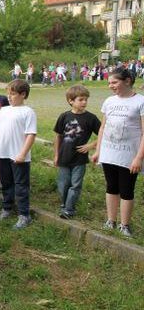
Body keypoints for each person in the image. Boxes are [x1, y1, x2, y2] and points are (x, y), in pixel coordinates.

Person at [91, 68, 144, 237]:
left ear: (127, 81)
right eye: (109, 83)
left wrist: (138, 157)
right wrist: (98, 150)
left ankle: (124, 225)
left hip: (129, 155)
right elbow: (102, 128)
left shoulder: (140, 102)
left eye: (114, 82)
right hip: (109, 152)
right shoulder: (109, 101)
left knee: (127, 189)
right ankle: (111, 220)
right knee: (111, 187)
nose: (110, 86)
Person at [0, 80, 37, 229]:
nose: (9, 97)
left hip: (19, 157)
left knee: (21, 186)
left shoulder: (28, 112)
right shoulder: (4, 110)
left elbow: (31, 134)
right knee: (6, 183)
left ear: (23, 94)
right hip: (3, 154)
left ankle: (24, 215)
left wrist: (23, 154)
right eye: (8, 93)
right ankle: (7, 208)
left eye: (12, 94)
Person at [53, 85, 101, 220]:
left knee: (75, 185)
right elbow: (57, 136)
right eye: (81, 99)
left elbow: (104, 134)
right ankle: (64, 205)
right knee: (63, 184)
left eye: (86, 99)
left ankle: (69, 209)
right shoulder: (64, 116)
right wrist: (56, 155)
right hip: (64, 157)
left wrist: (91, 145)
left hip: (80, 159)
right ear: (71, 101)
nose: (84, 102)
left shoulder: (91, 118)